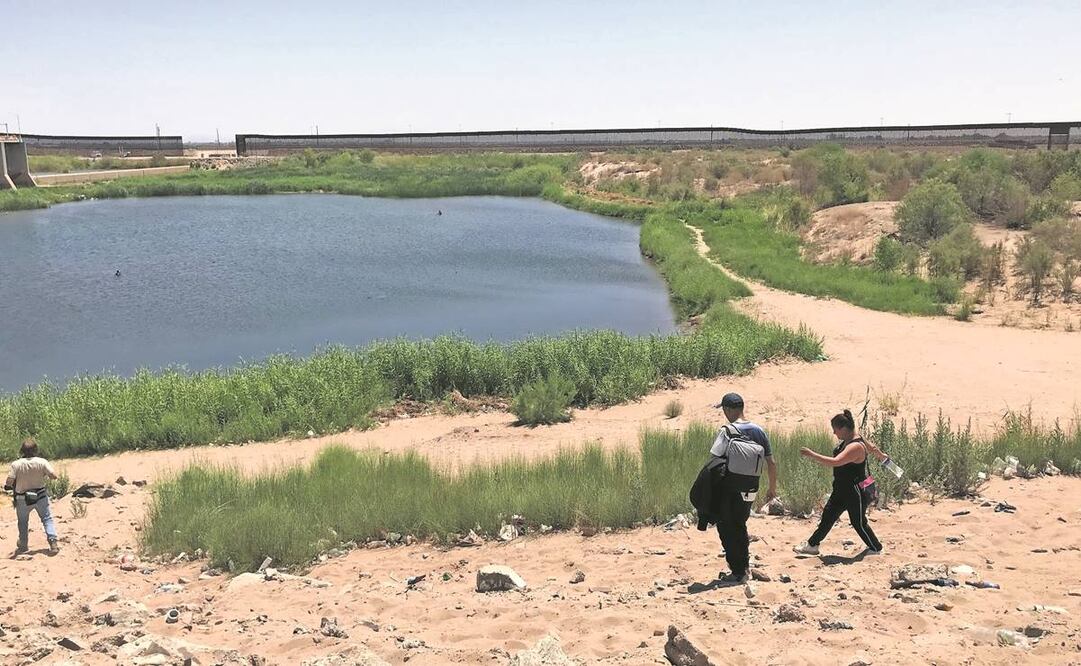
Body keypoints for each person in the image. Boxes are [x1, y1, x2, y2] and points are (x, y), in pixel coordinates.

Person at [793, 409, 883, 556]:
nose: (834, 434)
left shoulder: (855, 446)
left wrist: (812, 454)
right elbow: (872, 448)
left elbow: (836, 462)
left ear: (843, 428)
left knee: (858, 522)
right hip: (841, 488)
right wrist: (881, 455)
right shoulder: (851, 439)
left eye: (835, 430)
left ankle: (875, 547)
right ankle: (812, 545)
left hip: (854, 490)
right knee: (828, 516)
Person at [712, 393, 777, 583]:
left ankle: (737, 571)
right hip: (750, 488)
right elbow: (771, 463)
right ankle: (744, 567)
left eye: (724, 409)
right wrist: (772, 488)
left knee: (725, 526)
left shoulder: (726, 431)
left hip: (729, 487)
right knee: (740, 524)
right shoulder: (759, 431)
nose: (724, 413)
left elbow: (715, 459)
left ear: (730, 410)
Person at [4, 439, 60, 555]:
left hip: (22, 498)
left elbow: (9, 482)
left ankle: (23, 545)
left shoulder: (16, 464)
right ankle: (53, 542)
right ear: (36, 450)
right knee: (46, 519)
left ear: (22, 451)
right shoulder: (42, 461)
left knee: (23, 522)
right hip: (40, 496)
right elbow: (54, 476)